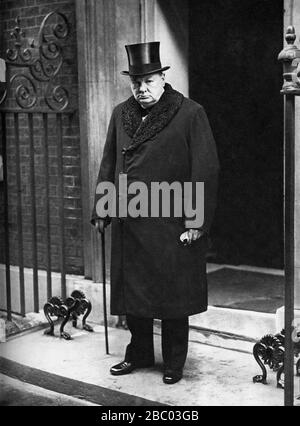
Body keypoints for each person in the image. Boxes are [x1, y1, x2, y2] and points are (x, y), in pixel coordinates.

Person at [91, 42, 219, 384]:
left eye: (148, 80)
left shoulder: (190, 113)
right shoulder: (121, 113)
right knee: (135, 296)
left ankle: (174, 362)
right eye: (135, 82)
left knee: (173, 298)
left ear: (163, 78)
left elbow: (204, 171)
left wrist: (196, 222)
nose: (141, 88)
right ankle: (140, 353)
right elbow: (109, 162)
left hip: (171, 221)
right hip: (130, 220)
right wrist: (103, 209)